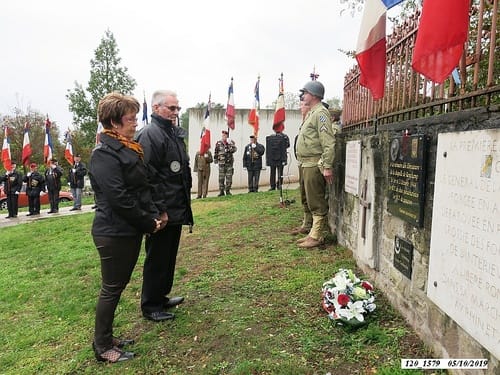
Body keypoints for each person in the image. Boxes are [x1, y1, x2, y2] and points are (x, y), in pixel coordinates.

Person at [89, 92, 163, 363]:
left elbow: (140, 188)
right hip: (113, 231)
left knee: (116, 287)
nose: (135, 124)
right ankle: (102, 347)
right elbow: (118, 198)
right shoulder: (104, 154)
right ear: (114, 123)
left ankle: (107, 337)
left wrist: (152, 213)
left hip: (126, 229)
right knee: (111, 288)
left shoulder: (127, 148)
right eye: (130, 119)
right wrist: (146, 221)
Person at [136, 90, 193, 322]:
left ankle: (161, 296)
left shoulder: (172, 134)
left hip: (176, 207)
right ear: (156, 107)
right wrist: (160, 210)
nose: (175, 112)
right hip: (163, 210)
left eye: (177, 108)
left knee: (168, 255)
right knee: (157, 256)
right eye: (171, 108)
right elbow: (148, 177)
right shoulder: (150, 135)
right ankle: (150, 304)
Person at [294, 81, 339, 249]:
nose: (302, 96)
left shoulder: (321, 113)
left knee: (316, 200)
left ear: (313, 94)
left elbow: (328, 142)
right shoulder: (312, 113)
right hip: (305, 163)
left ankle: (317, 235)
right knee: (307, 197)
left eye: (304, 93)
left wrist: (327, 166)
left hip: (314, 164)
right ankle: (310, 229)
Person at [266, 126, 290, 191]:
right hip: (272, 157)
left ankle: (279, 185)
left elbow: (288, 145)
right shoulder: (271, 137)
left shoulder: (285, 137)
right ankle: (272, 186)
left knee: (280, 172)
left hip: (281, 157)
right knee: (272, 172)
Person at [214, 130, 237, 196]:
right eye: (223, 135)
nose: (224, 137)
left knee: (229, 178)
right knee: (221, 179)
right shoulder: (218, 143)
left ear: (227, 136)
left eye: (225, 135)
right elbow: (216, 152)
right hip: (221, 164)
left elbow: (234, 150)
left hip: (229, 164)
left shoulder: (230, 142)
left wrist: (230, 145)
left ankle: (228, 191)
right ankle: (221, 191)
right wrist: (216, 162)